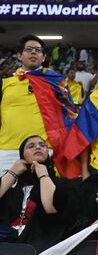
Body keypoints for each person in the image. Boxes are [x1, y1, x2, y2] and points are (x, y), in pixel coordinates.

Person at [0, 35, 75, 171]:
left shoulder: (56, 82)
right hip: (7, 150)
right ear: (19, 55)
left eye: (38, 50)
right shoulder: (4, 83)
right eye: (29, 49)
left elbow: (70, 114)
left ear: (43, 57)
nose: (33, 52)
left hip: (43, 151)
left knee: (43, 191)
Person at [0, 135, 77, 252]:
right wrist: (13, 172)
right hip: (7, 244)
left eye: (42, 145)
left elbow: (51, 208)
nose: (38, 147)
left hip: (39, 246)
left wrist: (43, 175)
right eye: (31, 146)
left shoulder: (61, 184)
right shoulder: (13, 187)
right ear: (22, 155)